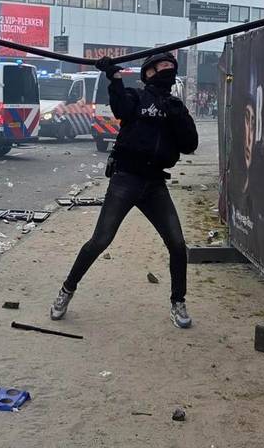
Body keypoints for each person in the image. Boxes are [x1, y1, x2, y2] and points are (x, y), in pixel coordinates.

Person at [50, 53, 199, 328]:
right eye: (164, 65)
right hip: (126, 179)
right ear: (150, 72)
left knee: (178, 245)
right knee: (100, 240)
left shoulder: (175, 106)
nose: (168, 69)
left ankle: (178, 302)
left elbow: (190, 145)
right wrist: (113, 77)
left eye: (171, 66)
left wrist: (180, 118)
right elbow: (120, 109)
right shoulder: (136, 98)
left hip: (155, 184)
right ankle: (66, 290)